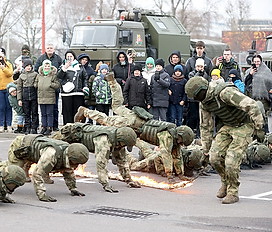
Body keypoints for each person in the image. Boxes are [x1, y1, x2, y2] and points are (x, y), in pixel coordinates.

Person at [74, 72, 195, 181]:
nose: (181, 145)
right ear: (180, 137)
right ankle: (85, 111)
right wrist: (170, 175)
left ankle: (112, 82)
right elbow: (166, 154)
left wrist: (180, 174)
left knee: (117, 106)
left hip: (138, 118)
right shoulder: (167, 136)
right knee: (108, 120)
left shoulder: (172, 130)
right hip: (133, 125)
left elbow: (177, 155)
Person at [185, 76, 264, 204]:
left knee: (231, 161)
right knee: (214, 157)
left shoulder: (224, 92)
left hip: (244, 125)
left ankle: (233, 191)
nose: (197, 99)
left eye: (197, 96)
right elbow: (206, 127)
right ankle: (225, 182)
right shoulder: (205, 103)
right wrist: (206, 151)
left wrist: (259, 127)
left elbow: (251, 105)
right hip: (228, 125)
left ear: (202, 90)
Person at [53, 122, 141, 192]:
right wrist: (105, 184)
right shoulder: (104, 141)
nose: (124, 147)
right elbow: (101, 163)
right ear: (121, 140)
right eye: (124, 144)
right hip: (69, 134)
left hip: (79, 138)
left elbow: (122, 161)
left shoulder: (118, 142)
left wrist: (129, 180)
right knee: (54, 152)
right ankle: (43, 174)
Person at [7, 135, 89, 202]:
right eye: (76, 163)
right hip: (21, 145)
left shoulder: (68, 152)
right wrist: (42, 194)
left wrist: (73, 188)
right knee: (12, 173)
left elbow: (68, 171)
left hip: (33, 150)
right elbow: (37, 174)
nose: (77, 166)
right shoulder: (51, 155)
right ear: (71, 158)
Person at [128, 140, 203, 178]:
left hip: (158, 155)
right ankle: (124, 156)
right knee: (134, 166)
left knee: (147, 151)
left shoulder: (192, 158)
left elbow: (191, 171)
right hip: (155, 161)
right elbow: (157, 158)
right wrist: (161, 172)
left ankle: (138, 141)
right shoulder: (177, 155)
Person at [34, 43, 63, 130]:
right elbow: (36, 70)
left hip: (54, 90)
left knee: (54, 108)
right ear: (45, 49)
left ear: (54, 49)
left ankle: (54, 125)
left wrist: (55, 83)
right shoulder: (41, 58)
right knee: (44, 112)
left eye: (51, 48)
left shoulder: (58, 59)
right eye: (48, 48)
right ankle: (45, 126)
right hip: (43, 91)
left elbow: (61, 72)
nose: (49, 49)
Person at [57, 50, 89, 125]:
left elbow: (85, 78)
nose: (69, 58)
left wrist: (85, 87)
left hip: (78, 92)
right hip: (67, 93)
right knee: (67, 112)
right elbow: (59, 77)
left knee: (77, 112)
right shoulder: (62, 67)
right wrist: (64, 68)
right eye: (67, 56)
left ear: (74, 57)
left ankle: (77, 127)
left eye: (71, 56)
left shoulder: (80, 67)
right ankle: (67, 128)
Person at [35, 59, 60, 135]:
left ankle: (49, 127)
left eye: (48, 66)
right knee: (43, 114)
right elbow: (35, 83)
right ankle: (44, 127)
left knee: (49, 113)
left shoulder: (53, 76)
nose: (46, 67)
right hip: (41, 97)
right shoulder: (39, 75)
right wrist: (37, 85)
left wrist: (50, 84)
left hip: (50, 97)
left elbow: (57, 85)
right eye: (45, 66)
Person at [16, 59, 39, 134]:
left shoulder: (35, 74)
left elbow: (36, 85)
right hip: (25, 96)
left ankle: (34, 127)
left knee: (34, 112)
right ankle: (27, 127)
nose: (29, 67)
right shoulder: (21, 76)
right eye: (27, 66)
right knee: (26, 113)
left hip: (33, 96)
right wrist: (19, 99)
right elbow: (19, 88)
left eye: (30, 66)